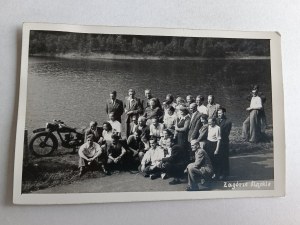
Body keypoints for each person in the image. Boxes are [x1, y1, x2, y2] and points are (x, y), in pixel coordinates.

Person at [217, 107, 232, 180]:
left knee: (224, 158)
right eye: (218, 113)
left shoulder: (227, 122)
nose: (219, 115)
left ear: (224, 113)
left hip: (223, 142)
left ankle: (224, 174)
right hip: (217, 142)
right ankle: (219, 172)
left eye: (220, 113)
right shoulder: (217, 120)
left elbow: (226, 133)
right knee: (218, 158)